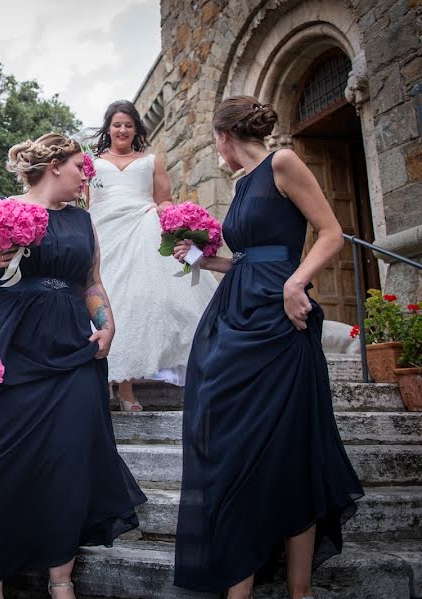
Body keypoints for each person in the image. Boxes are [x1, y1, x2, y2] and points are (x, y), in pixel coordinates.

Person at [0, 133, 146, 599]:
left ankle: (60, 579)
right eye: (79, 168)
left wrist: (106, 325)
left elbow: (91, 282)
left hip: (73, 348)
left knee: (69, 458)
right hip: (11, 344)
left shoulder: (82, 220)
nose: (84, 177)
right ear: (54, 165)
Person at [172, 96, 363, 599]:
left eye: (216, 140)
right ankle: (241, 575)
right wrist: (198, 258)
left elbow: (331, 233)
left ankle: (299, 591)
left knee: (292, 452)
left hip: (282, 323)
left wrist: (296, 284)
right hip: (238, 314)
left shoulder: (283, 162)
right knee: (228, 442)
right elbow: (245, 262)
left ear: (224, 136)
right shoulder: (239, 185)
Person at [86, 100, 217, 411]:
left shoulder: (150, 161)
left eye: (128, 125)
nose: (122, 130)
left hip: (142, 227)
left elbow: (165, 198)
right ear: (108, 128)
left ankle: (127, 386)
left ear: (136, 130)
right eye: (117, 124)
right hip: (104, 232)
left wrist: (168, 215)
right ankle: (102, 381)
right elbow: (85, 200)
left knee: (136, 300)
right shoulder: (92, 162)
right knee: (105, 299)